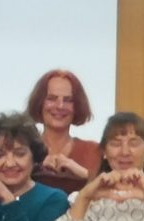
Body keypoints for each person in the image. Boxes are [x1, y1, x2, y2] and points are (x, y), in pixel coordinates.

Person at [26, 68, 103, 196]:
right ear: (39, 103)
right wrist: (35, 170)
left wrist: (84, 174)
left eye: (68, 100)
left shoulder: (93, 151)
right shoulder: (22, 150)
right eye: (51, 98)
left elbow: (113, 193)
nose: (60, 106)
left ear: (77, 106)